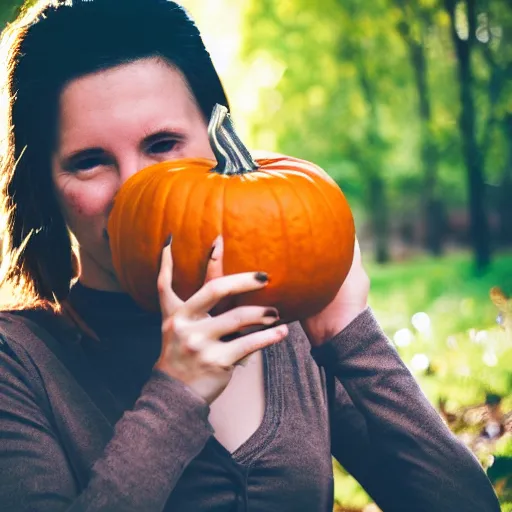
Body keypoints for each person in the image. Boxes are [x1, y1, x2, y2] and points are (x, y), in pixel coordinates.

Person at [0, 1, 501, 511]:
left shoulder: (290, 331)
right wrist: (176, 396)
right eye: (90, 163)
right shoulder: (16, 363)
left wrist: (350, 334)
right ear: (44, 184)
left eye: (163, 144)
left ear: (220, 142)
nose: (135, 191)